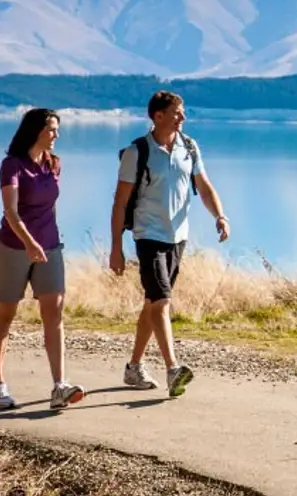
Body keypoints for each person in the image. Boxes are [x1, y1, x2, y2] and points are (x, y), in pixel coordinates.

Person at [109, 90, 230, 398]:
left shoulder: (189, 147)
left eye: (183, 111)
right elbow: (120, 202)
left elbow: (203, 187)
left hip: (178, 237)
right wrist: (115, 248)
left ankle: (133, 367)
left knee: (152, 303)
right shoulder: (138, 152)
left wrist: (220, 215)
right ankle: (173, 369)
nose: (183, 117)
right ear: (158, 116)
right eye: (177, 112)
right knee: (162, 301)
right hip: (148, 235)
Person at [0, 108, 86, 410]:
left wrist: (46, 242)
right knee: (6, 315)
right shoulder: (11, 166)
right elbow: (11, 212)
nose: (56, 135)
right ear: (35, 131)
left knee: (54, 314)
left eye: (57, 129)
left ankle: (59, 386)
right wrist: (29, 243)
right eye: (52, 129)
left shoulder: (54, 164)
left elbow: (48, 206)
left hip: (50, 248)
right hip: (13, 248)